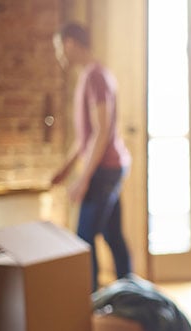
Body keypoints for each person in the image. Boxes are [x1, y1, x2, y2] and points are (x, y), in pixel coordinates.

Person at [51, 22, 132, 292]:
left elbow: (102, 129)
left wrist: (84, 178)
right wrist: (67, 167)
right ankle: (130, 294)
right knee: (113, 236)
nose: (60, 54)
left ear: (72, 43)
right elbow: (87, 136)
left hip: (105, 169)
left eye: (60, 47)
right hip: (108, 166)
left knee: (83, 239)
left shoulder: (96, 76)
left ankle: (91, 305)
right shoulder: (89, 76)